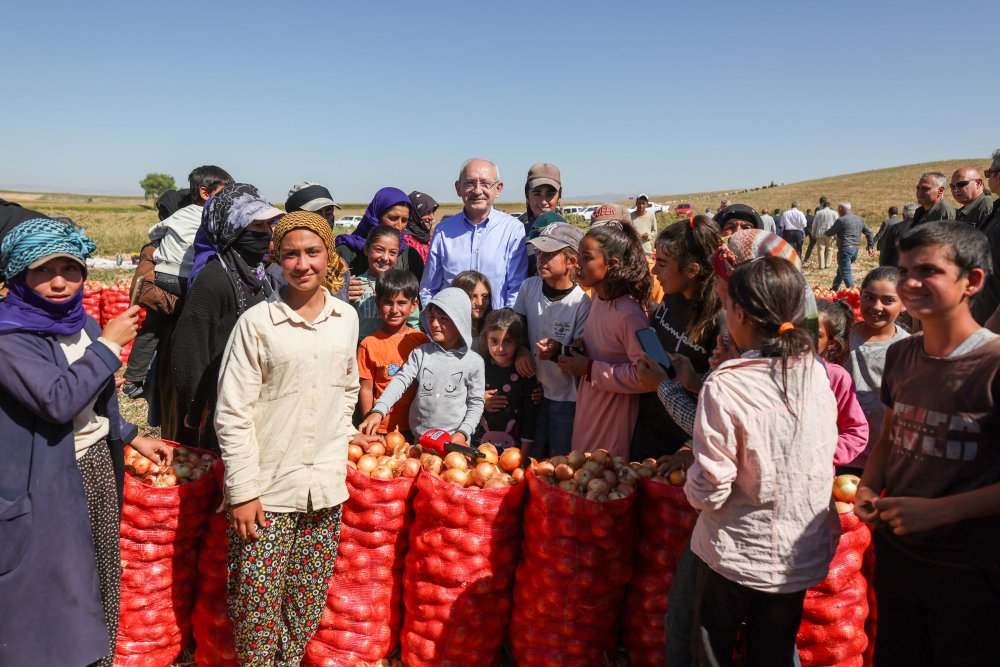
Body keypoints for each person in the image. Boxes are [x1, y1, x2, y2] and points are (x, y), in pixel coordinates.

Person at [0, 218, 172, 667]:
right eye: (44, 270)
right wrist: (107, 347)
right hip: (45, 481)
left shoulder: (85, 325)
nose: (60, 282)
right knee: (54, 585)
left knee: (97, 572)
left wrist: (131, 436)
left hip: (94, 465)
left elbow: (97, 403)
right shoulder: (10, 340)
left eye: (71, 269)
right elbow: (57, 400)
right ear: (18, 274)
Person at [214, 211, 377, 667]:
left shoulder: (345, 318)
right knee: (258, 608)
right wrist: (243, 490)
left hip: (324, 488)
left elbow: (347, 388)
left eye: (312, 252)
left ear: (330, 257)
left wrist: (341, 432)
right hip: (268, 491)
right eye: (291, 254)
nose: (302, 263)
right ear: (276, 259)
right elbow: (232, 412)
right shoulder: (258, 323)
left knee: (305, 605)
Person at [855, 221, 1000, 666]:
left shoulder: (992, 366)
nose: (910, 283)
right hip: (899, 556)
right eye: (904, 271)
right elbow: (891, 438)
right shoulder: (901, 356)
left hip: (971, 570)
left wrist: (938, 511)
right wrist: (867, 486)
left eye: (928, 271)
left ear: (971, 281)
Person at [687, 255, 840, 667]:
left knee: (711, 652)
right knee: (772, 652)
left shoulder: (728, 383)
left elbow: (712, 487)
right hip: (799, 553)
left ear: (738, 313)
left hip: (736, 553)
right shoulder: (815, 370)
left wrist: (692, 489)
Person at [170, 183, 285, 452]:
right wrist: (197, 408)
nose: (266, 234)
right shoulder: (213, 280)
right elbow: (190, 350)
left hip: (258, 401)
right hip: (224, 407)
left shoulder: (258, 274)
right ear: (233, 229)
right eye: (257, 227)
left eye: (268, 227)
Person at [123, 165, 233, 397]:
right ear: (205, 193)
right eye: (223, 193)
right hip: (185, 280)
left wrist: (164, 243)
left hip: (161, 276)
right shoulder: (211, 217)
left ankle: (133, 379)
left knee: (151, 329)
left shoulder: (179, 215)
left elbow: (155, 232)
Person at [630, 216, 722, 462]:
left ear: (692, 270)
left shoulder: (720, 320)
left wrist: (690, 450)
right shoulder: (673, 295)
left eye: (662, 263)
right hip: (649, 423)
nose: (654, 271)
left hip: (686, 442)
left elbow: (724, 401)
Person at [558, 221, 651, 458]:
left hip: (612, 423)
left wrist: (590, 369)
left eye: (586, 257)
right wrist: (580, 350)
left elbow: (650, 377)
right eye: (578, 255)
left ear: (612, 265)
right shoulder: (599, 299)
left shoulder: (631, 314)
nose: (577, 263)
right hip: (590, 412)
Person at [359, 287, 485, 443]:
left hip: (455, 444)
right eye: (431, 317)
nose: (434, 324)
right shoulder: (420, 353)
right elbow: (400, 381)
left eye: (443, 318)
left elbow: (476, 403)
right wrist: (379, 410)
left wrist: (462, 434)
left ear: (460, 321)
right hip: (418, 441)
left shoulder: (474, 362)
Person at [513, 222, 591, 457]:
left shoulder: (580, 303)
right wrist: (522, 351)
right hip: (533, 388)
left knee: (559, 454)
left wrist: (557, 351)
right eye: (539, 253)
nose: (541, 259)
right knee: (531, 451)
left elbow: (580, 352)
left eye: (549, 254)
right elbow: (518, 326)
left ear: (571, 261)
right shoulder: (529, 287)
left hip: (566, 396)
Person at [419, 158, 527, 309]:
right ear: (458, 188)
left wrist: (505, 327)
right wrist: (433, 323)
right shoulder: (443, 231)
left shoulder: (512, 229)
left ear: (498, 189)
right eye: (470, 183)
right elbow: (428, 289)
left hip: (496, 327)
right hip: (451, 329)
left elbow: (516, 289)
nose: (477, 190)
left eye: (485, 184)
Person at [842, 267, 908, 474]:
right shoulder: (842, 339)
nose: (876, 307)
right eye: (869, 298)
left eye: (888, 300)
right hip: (844, 451)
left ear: (905, 304)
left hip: (884, 458)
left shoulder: (907, 348)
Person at [356, 269, 428, 440]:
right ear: (378, 303)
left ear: (414, 305)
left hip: (416, 426)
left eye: (402, 302)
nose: (394, 309)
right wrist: (369, 421)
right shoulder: (369, 344)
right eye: (388, 302)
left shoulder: (421, 340)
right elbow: (366, 389)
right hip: (382, 428)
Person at [474, 309, 537, 449]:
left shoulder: (525, 371)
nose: (500, 349)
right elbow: (462, 399)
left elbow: (530, 416)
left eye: (507, 341)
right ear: (485, 339)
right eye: (494, 341)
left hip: (513, 450)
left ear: (518, 341)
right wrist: (479, 401)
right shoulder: (478, 368)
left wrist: (523, 456)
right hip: (478, 448)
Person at [336, 187, 424, 282]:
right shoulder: (345, 252)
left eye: (404, 220)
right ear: (377, 216)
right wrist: (343, 291)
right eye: (393, 218)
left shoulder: (410, 257)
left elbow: (418, 293)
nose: (399, 226)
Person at [350, 225, 420, 341]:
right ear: (366, 249)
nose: (385, 258)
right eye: (379, 250)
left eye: (392, 253)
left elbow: (415, 323)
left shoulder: (403, 285)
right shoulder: (354, 286)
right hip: (362, 351)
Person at [825, 202, 875, 290]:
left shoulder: (841, 220)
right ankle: (834, 288)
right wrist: (870, 246)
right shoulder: (859, 219)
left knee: (846, 272)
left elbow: (830, 232)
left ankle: (854, 292)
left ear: (840, 209)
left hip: (845, 249)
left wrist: (824, 232)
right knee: (842, 270)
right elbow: (869, 233)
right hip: (855, 250)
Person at [450, 270, 492, 351]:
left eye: (485, 296)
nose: (480, 303)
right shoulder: (448, 333)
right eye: (473, 296)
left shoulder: (493, 328)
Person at [878, 202, 918, 267]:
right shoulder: (924, 226)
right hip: (919, 266)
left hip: (898, 266)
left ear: (903, 215)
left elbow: (888, 248)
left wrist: (884, 264)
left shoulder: (896, 227)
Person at [406, 191, 439, 263]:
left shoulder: (431, 238)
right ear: (415, 213)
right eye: (427, 212)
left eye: (432, 212)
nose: (431, 217)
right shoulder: (404, 241)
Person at [808, 197, 838, 269]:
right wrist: (836, 235)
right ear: (829, 206)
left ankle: (821, 265)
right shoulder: (834, 213)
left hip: (820, 233)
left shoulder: (818, 213)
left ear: (823, 206)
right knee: (829, 249)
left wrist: (813, 233)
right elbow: (837, 224)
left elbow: (814, 224)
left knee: (821, 250)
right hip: (830, 234)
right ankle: (828, 264)